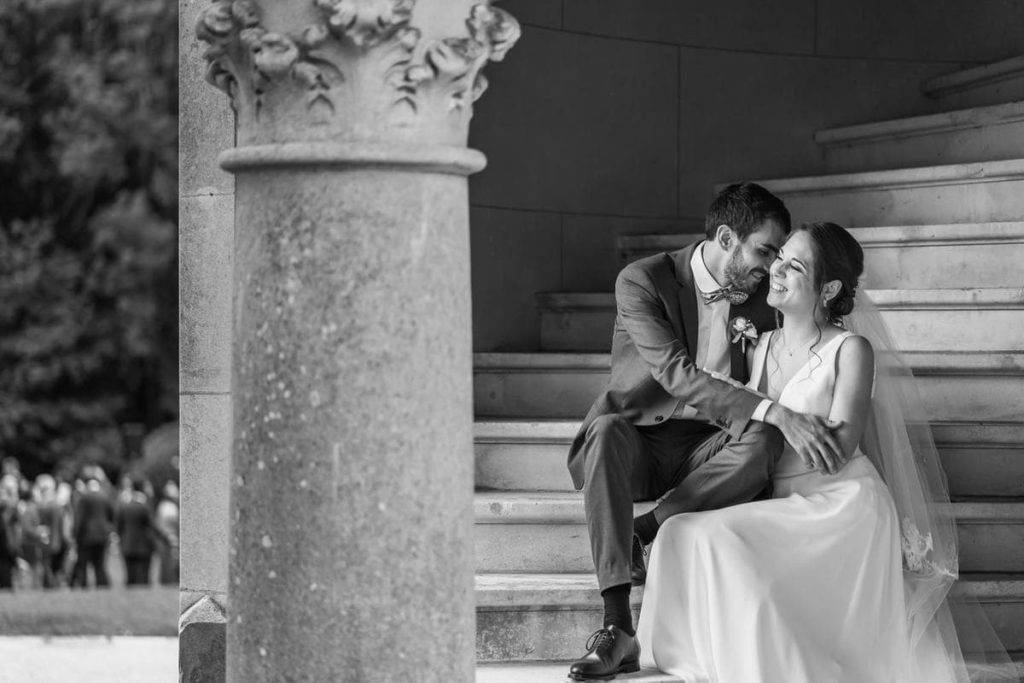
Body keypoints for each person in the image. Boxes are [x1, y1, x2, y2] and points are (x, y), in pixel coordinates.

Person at [636, 223, 1012, 682]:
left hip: (841, 504)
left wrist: (772, 422)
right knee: (678, 531)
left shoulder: (850, 349)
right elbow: (752, 425)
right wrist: (780, 419)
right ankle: (685, 656)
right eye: (778, 259)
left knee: (719, 541)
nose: (776, 270)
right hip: (779, 499)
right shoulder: (762, 344)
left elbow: (835, 452)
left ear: (828, 287)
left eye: (794, 265)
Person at [566, 184, 846, 681]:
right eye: (764, 251)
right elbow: (676, 374)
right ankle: (617, 626)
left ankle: (643, 531)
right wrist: (776, 410)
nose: (771, 268)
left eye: (780, 257)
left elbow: (810, 331)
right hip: (640, 440)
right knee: (606, 431)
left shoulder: (762, 294)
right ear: (725, 236)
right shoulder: (642, 281)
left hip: (711, 444)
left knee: (764, 439)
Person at [115, 478, 163, 586]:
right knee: (143, 576)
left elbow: (118, 526)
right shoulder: (144, 506)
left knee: (130, 575)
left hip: (127, 543)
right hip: (143, 545)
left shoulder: (124, 506)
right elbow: (152, 525)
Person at [71, 473, 114, 588]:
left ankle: (84, 584)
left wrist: (76, 534)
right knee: (99, 563)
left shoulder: (84, 497)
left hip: (86, 535)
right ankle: (102, 584)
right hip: (103, 535)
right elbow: (111, 515)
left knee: (83, 563)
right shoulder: (105, 496)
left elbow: (80, 519)